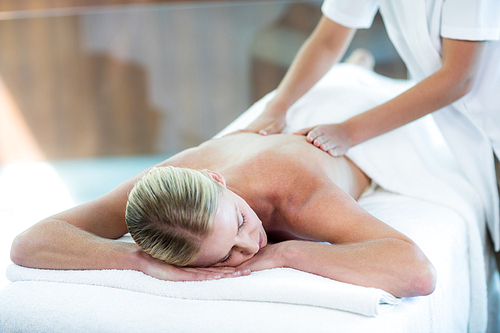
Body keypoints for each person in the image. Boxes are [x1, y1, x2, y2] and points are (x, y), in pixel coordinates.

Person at [10, 130, 436, 298]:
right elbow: (28, 243)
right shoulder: (163, 191)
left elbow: (417, 272)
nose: (251, 245)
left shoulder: (297, 192)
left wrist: (289, 256)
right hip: (254, 139)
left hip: (343, 136)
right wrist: (134, 259)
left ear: (215, 180)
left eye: (240, 223)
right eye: (226, 256)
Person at [243, 0, 500, 251]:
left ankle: (358, 70)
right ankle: (357, 70)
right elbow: (327, 41)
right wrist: (276, 107)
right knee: (348, 83)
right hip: (458, 125)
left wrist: (348, 132)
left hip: (485, 118)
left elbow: (459, 78)